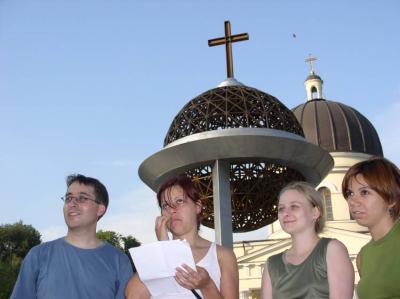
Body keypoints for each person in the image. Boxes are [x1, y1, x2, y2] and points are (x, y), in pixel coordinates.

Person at [11, 174, 133, 299]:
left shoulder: (119, 261)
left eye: (82, 198)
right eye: (68, 198)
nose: (72, 203)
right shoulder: (38, 255)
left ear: (100, 209)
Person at [125, 175, 239, 299]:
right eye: (165, 205)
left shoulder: (222, 256)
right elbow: (132, 295)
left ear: (197, 206)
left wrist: (207, 285)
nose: (172, 210)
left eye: (179, 201)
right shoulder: (155, 257)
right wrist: (163, 247)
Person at [260, 181, 354, 299]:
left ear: (315, 212)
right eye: (281, 209)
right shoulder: (272, 264)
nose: (285, 213)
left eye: (294, 206)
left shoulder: (332, 250)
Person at [342, 157, 400, 298]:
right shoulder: (363, 257)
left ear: (391, 198)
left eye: (364, 192)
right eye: (350, 193)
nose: (353, 202)